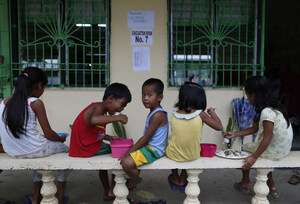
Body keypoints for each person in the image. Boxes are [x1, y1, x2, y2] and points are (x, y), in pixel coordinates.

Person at [0, 67, 69, 204]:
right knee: (65, 151)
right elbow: (49, 133)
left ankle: (35, 197)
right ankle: (60, 197)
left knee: (37, 151)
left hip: (12, 151)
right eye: (44, 87)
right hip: (34, 149)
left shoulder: (4, 103)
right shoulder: (35, 103)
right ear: (39, 85)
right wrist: (61, 139)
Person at [224, 76, 293, 199]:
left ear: (254, 95)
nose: (247, 98)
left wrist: (253, 157)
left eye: (247, 95)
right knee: (261, 150)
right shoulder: (274, 107)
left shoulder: (266, 112)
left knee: (245, 148)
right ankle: (272, 186)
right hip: (283, 149)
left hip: (275, 151)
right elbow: (255, 128)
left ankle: (245, 181)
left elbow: (267, 138)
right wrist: (235, 134)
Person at [69, 82, 132, 201]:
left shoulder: (101, 112)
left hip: (85, 146)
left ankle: (107, 191)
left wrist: (109, 138)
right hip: (85, 148)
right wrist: (118, 118)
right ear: (111, 99)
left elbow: (94, 133)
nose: (122, 108)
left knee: (105, 164)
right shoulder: (98, 107)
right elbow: (93, 120)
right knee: (118, 154)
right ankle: (113, 189)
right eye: (122, 104)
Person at [165, 82, 222, 192]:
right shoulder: (201, 114)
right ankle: (183, 178)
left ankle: (175, 176)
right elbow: (219, 126)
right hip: (192, 154)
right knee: (191, 147)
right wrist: (212, 113)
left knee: (170, 144)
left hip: (173, 154)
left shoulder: (175, 114)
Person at [120, 78, 169, 191]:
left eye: (149, 95)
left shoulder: (158, 115)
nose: (145, 98)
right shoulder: (153, 111)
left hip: (154, 150)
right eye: (143, 95)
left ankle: (135, 180)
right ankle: (132, 182)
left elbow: (146, 137)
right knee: (133, 156)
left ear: (160, 97)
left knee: (126, 163)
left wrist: (128, 152)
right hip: (149, 147)